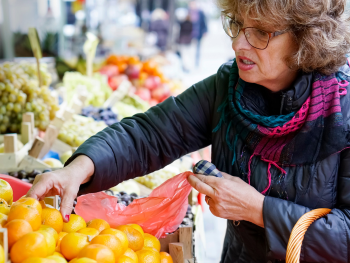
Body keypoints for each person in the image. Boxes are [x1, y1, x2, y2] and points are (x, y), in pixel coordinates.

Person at [28, 0, 350, 261]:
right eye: (238, 25)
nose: (238, 43)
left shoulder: (344, 109)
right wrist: (80, 168)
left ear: (306, 37)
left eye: (261, 32)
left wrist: (258, 209)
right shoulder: (227, 88)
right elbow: (148, 135)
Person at [189, 1, 207, 68]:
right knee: (190, 49)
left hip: (198, 33)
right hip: (190, 34)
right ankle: (190, 62)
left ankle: (196, 63)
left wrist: (205, 31)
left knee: (198, 49)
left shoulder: (200, 12)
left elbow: (204, 22)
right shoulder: (188, 12)